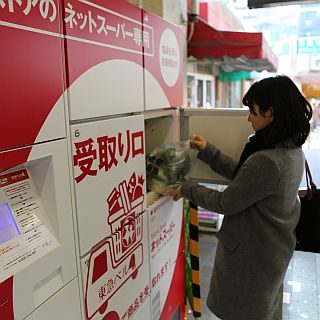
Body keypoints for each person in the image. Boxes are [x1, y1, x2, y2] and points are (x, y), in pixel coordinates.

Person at [170, 75, 313, 320]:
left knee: (243, 313)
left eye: (253, 113)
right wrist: (209, 152)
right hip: (271, 251)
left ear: (271, 113)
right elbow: (245, 179)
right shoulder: (290, 150)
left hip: (251, 258)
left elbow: (225, 202)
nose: (248, 119)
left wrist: (186, 188)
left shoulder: (267, 160)